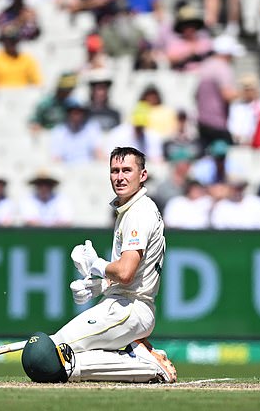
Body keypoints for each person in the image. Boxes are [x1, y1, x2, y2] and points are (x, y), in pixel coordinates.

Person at [41, 147, 177, 383]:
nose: (120, 177)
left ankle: (147, 367)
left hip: (130, 307)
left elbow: (125, 272)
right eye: (115, 171)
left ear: (142, 175)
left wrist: (96, 265)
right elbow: (133, 273)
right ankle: (133, 354)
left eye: (127, 170)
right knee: (57, 358)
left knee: (51, 357)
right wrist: (101, 286)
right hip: (123, 304)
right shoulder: (128, 209)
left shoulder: (138, 212)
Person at [195, 34, 245, 152]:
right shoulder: (223, 68)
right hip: (217, 123)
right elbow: (227, 95)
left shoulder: (206, 65)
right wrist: (244, 93)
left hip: (203, 121)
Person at [49, 98, 104, 163]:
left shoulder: (92, 128)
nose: (77, 115)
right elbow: (56, 158)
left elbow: (98, 152)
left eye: (79, 112)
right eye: (74, 112)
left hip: (88, 168)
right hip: (65, 169)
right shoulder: (59, 131)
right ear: (68, 113)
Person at [228, 74, 260, 147]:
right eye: (246, 89)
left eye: (251, 89)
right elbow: (233, 128)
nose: (249, 92)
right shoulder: (236, 107)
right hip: (242, 146)